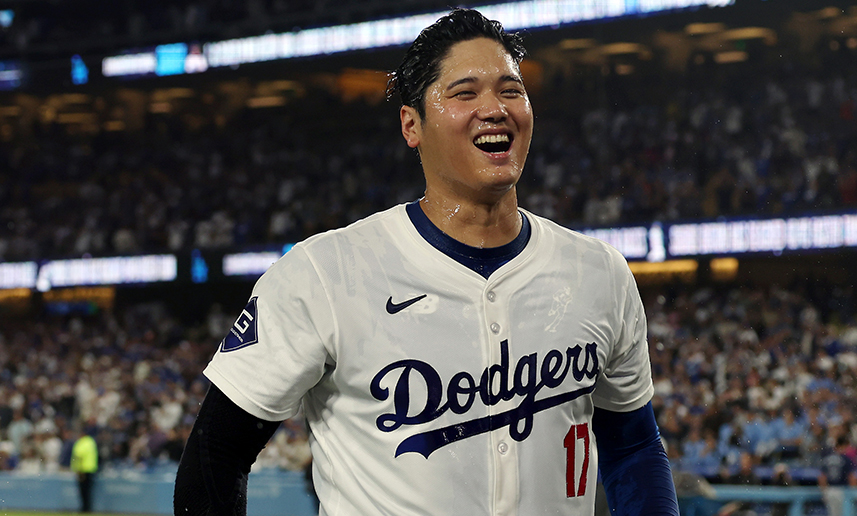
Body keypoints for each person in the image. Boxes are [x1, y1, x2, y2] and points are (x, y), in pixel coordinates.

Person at [174, 8, 678, 516]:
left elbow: (632, 447)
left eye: (511, 90)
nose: (495, 108)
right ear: (411, 125)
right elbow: (216, 456)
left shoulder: (599, 272)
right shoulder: (324, 273)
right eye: (465, 93)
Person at [818, 436, 857, 516]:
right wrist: (855, 492)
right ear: (842, 446)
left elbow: (822, 478)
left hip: (830, 491)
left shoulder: (827, 458)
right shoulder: (846, 458)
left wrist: (824, 492)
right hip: (843, 491)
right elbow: (852, 477)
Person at [69, 426, 99, 513]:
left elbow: (79, 457)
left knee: (83, 492)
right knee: (88, 492)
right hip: (91, 469)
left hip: (83, 470)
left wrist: (79, 469)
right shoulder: (91, 442)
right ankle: (88, 508)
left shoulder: (81, 442)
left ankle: (84, 509)